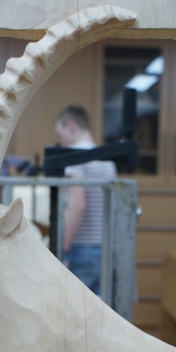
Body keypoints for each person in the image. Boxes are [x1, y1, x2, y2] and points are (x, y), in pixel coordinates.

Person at [54, 105, 116, 295]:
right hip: (105, 248)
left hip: (81, 249)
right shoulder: (107, 161)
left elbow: (77, 205)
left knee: (71, 309)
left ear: (71, 126)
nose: (61, 142)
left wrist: (62, 250)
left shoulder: (75, 155)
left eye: (60, 134)